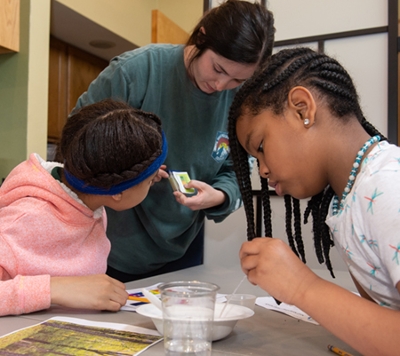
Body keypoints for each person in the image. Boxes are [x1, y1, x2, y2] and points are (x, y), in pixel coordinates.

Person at [71, 0, 275, 282]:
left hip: (184, 248)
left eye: (236, 80)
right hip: (110, 248)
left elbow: (237, 168)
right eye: (217, 69)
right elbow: (77, 141)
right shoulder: (136, 73)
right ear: (201, 37)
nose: (221, 86)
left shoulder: (240, 101)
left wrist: (218, 196)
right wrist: (135, 169)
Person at [227, 46, 399, 355]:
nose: (263, 170)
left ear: (303, 109)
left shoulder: (389, 185)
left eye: (262, 146)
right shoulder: (346, 199)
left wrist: (302, 287)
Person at [0, 99, 167, 316]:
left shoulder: (91, 199)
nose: (156, 179)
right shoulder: (23, 220)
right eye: (150, 179)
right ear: (117, 191)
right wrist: (53, 288)